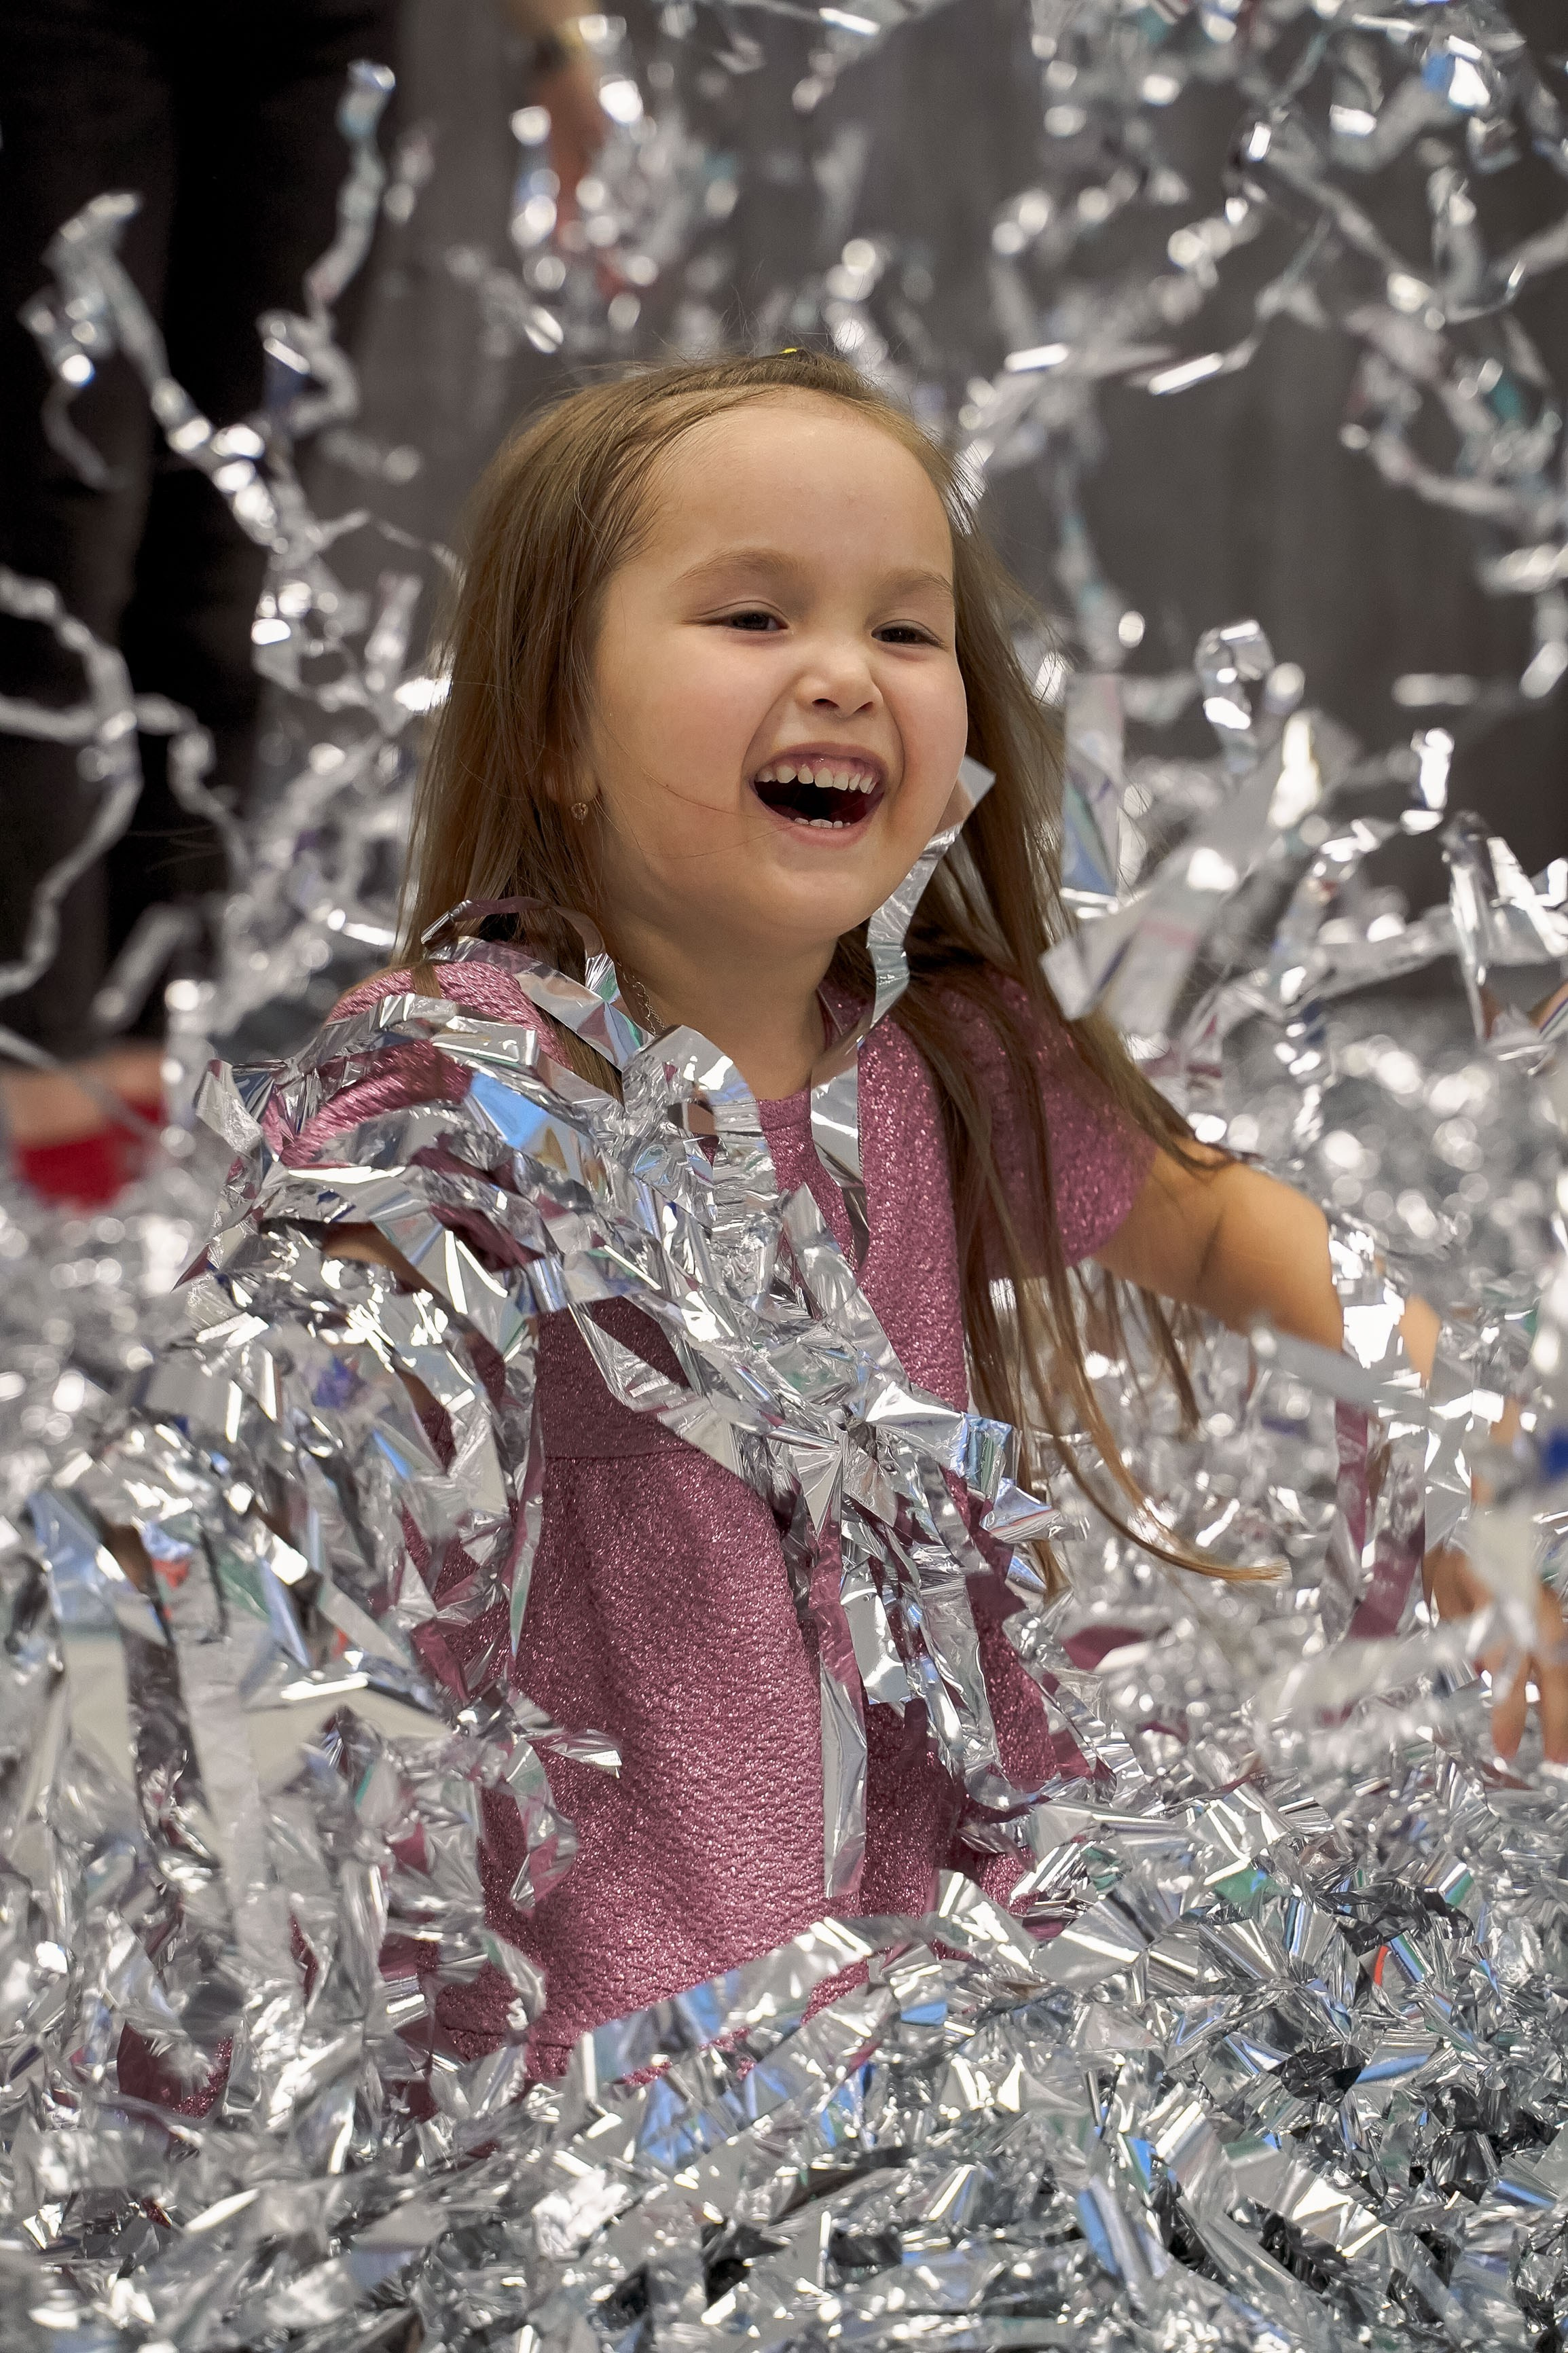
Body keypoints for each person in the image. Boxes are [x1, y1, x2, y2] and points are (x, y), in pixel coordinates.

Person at [96, 351, 1560, 2096]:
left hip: (945, 1937)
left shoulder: (945, 1052)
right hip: (605, 2014)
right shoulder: (461, 1079)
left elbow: (1226, 1224)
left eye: (905, 630)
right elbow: (255, 1470)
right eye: (752, 615)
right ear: (556, 724)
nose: (844, 678)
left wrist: (1463, 1474)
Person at [0, 0, 605, 1203]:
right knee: (53, 555)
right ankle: (38, 1101)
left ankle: (141, 1095)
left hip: (314, 28)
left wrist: (558, 34)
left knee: (229, 560)